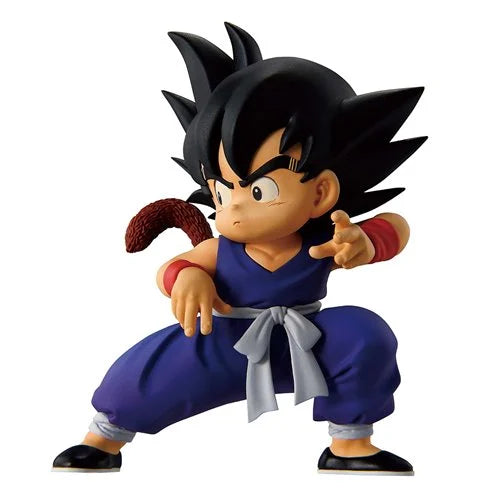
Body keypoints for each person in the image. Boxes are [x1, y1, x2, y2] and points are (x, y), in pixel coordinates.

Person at [52, 23, 426, 475]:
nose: (233, 208)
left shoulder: (324, 240)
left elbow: (397, 226)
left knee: (364, 332)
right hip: (223, 343)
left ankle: (350, 444)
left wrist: (366, 242)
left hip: (304, 345)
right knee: (151, 371)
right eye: (223, 190)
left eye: (260, 190)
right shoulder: (223, 248)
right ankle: (103, 438)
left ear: (321, 192)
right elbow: (174, 267)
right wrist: (189, 277)